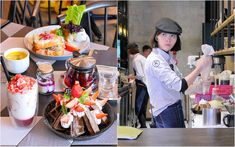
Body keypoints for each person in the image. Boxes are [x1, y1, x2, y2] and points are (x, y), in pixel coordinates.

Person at [145, 17, 212, 128]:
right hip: (166, 111)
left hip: (173, 108)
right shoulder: (155, 60)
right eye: (164, 35)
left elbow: (182, 86)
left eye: (172, 36)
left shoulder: (168, 58)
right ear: (157, 36)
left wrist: (200, 86)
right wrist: (199, 68)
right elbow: (179, 85)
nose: (168, 39)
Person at [127, 43, 149, 128]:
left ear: (130, 50)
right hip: (147, 85)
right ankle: (143, 125)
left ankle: (143, 126)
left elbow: (140, 75)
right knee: (143, 106)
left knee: (138, 107)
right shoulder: (141, 58)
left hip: (142, 85)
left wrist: (131, 76)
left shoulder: (136, 60)